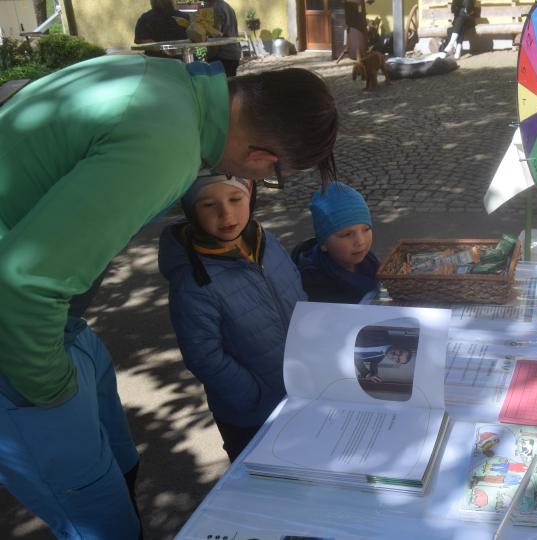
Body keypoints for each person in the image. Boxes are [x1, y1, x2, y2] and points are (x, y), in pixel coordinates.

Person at [0, 54, 337, 537]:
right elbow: (22, 284)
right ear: (265, 159)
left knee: (117, 465)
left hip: (55, 324)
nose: (262, 182)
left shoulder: (167, 83)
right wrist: (53, 393)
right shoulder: (169, 146)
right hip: (18, 333)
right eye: (275, 175)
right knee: (97, 515)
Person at [159, 174, 306, 462]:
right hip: (252, 415)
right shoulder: (193, 281)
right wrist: (254, 396)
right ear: (191, 211)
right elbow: (204, 356)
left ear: (250, 196)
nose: (226, 214)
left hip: (300, 392)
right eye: (208, 205)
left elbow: (298, 292)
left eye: (235, 199)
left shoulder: (267, 243)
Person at [293, 182, 380, 304]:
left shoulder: (370, 261)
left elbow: (383, 293)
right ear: (324, 243)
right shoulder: (313, 282)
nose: (361, 241)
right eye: (347, 234)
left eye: (366, 229)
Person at [205, 0, 242, 76]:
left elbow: (215, 35)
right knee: (229, 85)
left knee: (221, 85)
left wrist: (209, 55)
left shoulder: (216, 8)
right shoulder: (227, 6)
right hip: (233, 52)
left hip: (223, 54)